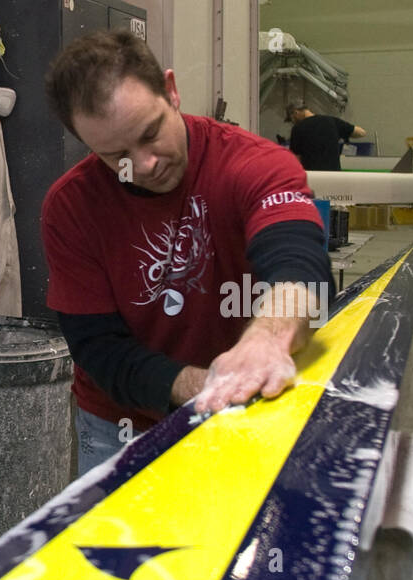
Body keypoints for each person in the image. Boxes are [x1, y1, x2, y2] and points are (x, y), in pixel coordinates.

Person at [40, 31, 333, 474]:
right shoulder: (70, 207)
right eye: (114, 154)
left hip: (245, 407)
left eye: (151, 133)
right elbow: (99, 347)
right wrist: (206, 385)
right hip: (119, 425)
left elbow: (298, 264)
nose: (144, 165)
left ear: (172, 91)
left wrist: (266, 340)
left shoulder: (254, 164)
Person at [286, 103, 366, 171]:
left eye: (291, 119)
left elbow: (296, 159)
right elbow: (361, 132)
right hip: (334, 176)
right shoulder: (332, 121)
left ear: (296, 113)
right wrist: (343, 133)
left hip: (313, 177)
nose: (293, 122)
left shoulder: (297, 128)